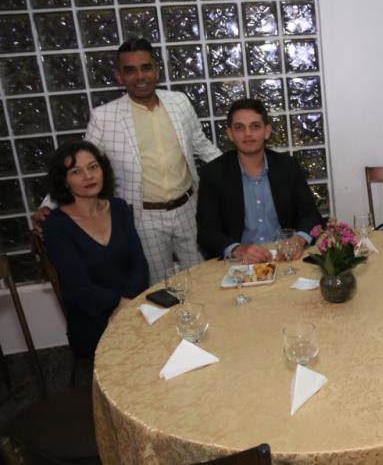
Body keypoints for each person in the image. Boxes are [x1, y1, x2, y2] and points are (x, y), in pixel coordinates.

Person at [35, 38, 222, 285]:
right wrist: (49, 204)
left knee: (206, 281)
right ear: (119, 76)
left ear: (157, 70)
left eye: (146, 68)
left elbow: (202, 145)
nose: (140, 76)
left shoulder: (179, 102)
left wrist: (240, 171)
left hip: (190, 208)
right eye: (130, 70)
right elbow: (80, 163)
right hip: (144, 218)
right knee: (158, 289)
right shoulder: (104, 117)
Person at [42, 141, 149, 358]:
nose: (89, 176)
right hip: (93, 320)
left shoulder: (118, 207)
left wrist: (127, 304)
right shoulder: (56, 225)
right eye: (76, 172)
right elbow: (81, 290)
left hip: (132, 306)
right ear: (63, 181)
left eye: (93, 167)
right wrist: (125, 306)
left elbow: (139, 264)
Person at [196, 98, 322, 263]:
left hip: (286, 258)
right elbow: (206, 233)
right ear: (230, 134)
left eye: (255, 126)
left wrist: (298, 240)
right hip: (240, 264)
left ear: (267, 131)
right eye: (239, 127)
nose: (248, 133)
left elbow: (312, 216)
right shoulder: (213, 173)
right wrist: (238, 249)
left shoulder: (288, 166)